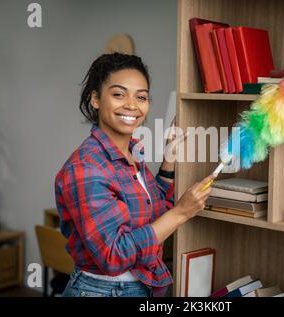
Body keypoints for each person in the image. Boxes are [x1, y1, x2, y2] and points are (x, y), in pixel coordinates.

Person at [55, 53, 215, 297]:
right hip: (102, 291)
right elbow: (114, 256)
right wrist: (181, 212)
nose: (132, 105)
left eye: (141, 97)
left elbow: (154, 213)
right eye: (119, 94)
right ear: (95, 99)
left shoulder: (132, 155)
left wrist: (169, 159)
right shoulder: (87, 168)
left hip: (138, 287)